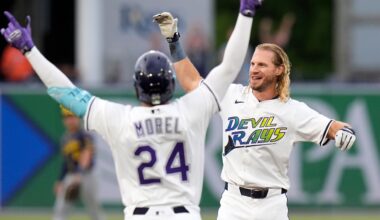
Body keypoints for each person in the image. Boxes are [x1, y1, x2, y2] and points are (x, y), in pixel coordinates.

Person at [1, 0, 260, 218]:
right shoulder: (191, 110)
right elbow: (230, 66)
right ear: (170, 83)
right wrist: (245, 14)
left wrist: (29, 50)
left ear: (137, 87)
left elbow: (65, 93)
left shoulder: (120, 119)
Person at [154, 5, 357, 220]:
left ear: (279, 70)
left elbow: (335, 127)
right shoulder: (230, 95)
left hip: (272, 205)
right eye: (252, 64)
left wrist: (346, 132)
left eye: (262, 65)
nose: (254, 69)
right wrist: (174, 41)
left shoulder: (292, 110)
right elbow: (192, 82)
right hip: (233, 203)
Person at [53, 106, 105, 220]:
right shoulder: (65, 138)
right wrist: (60, 180)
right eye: (66, 117)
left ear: (78, 118)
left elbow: (87, 154)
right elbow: (66, 162)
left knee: (93, 209)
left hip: (88, 175)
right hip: (71, 175)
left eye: (72, 117)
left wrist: (79, 173)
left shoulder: (84, 135)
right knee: (61, 208)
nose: (70, 120)